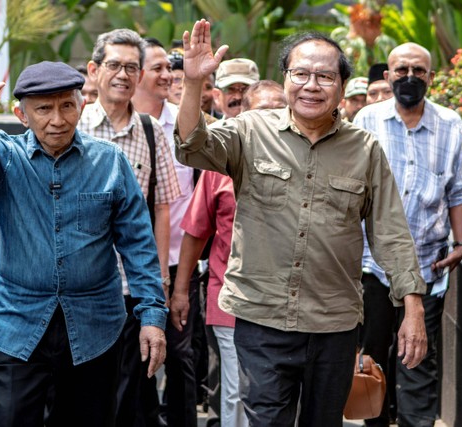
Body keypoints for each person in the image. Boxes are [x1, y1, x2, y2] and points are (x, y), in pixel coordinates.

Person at [174, 19, 428, 426]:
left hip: (334, 324)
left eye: (325, 76)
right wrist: (191, 85)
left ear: (342, 88)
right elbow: (191, 147)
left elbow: (390, 231)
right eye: (301, 74)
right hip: (261, 319)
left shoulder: (365, 149)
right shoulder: (250, 130)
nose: (312, 85)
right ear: (286, 78)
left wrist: (412, 308)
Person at [0, 42, 168, 427]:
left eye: (66, 105)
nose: (58, 119)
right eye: (43, 109)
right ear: (22, 114)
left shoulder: (110, 161)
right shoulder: (4, 156)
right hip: (17, 323)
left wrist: (151, 315)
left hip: (96, 325)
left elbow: (138, 243)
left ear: (81, 105)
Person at [354, 42, 462, 427]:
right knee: (372, 359)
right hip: (372, 266)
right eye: (401, 69)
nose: (410, 77)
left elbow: (460, 189)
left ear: (431, 77)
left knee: (418, 358)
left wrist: (460, 244)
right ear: (388, 76)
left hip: (428, 266)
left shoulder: (450, 124)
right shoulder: (366, 121)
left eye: (418, 70)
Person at [78, 28, 181, 427]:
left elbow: (162, 209)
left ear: (139, 77)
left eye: (130, 68)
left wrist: (161, 281)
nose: (122, 74)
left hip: (133, 287)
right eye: (113, 65)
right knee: (79, 390)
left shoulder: (154, 134)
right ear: (94, 70)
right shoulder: (74, 125)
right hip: (82, 287)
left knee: (129, 390)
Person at [172, 83, 287, 427]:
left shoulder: (305, 161)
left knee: (280, 392)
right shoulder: (220, 163)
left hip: (287, 304)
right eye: (261, 110)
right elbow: (195, 231)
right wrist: (180, 291)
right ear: (243, 114)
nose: (271, 117)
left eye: (278, 109)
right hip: (230, 299)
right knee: (238, 391)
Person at [132, 37, 200, 427]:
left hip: (175, 264)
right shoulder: (107, 127)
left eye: (168, 68)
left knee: (179, 356)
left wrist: (178, 282)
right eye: (157, 68)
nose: (166, 74)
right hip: (122, 267)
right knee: (132, 359)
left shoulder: (186, 123)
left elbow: (196, 202)